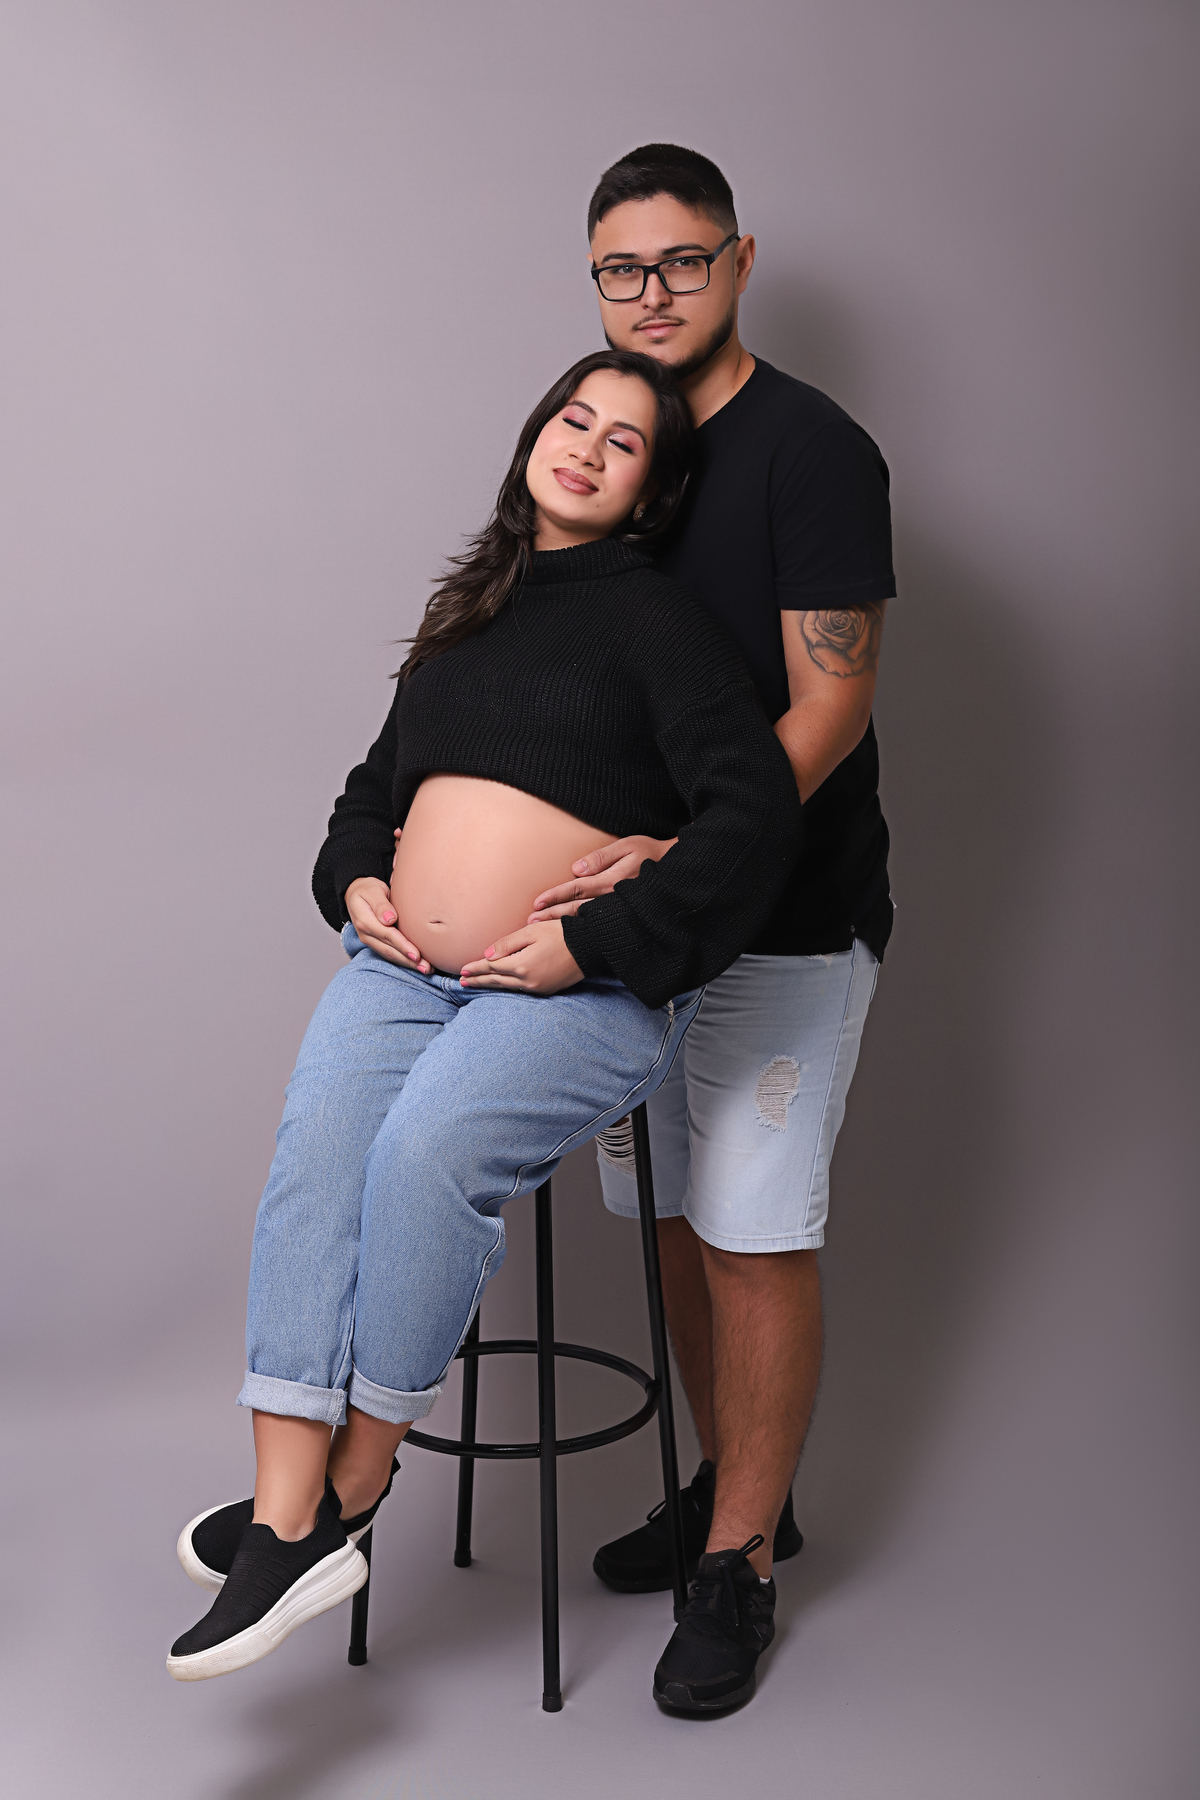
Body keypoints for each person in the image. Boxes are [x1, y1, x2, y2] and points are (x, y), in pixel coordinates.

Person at [166, 348, 804, 1682]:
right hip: (402, 973)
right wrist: (357, 882)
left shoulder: (660, 623)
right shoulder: (471, 613)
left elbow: (752, 814)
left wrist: (594, 941)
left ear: (650, 493)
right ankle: (283, 1516)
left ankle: (351, 1492)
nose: (585, 446)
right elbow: (371, 791)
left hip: (583, 986)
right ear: (533, 436)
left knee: (424, 1155)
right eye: (573, 418)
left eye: (623, 442)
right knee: (317, 1157)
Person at [528, 146, 896, 1715]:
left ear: (740, 261)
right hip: (640, 927)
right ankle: (739, 1489)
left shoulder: (812, 451)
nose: (655, 293)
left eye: (683, 260)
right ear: (594, 280)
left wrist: (690, 851)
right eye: (623, 269)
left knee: (752, 1232)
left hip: (782, 918)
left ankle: (738, 1565)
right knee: (673, 1220)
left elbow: (831, 703)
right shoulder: (614, 444)